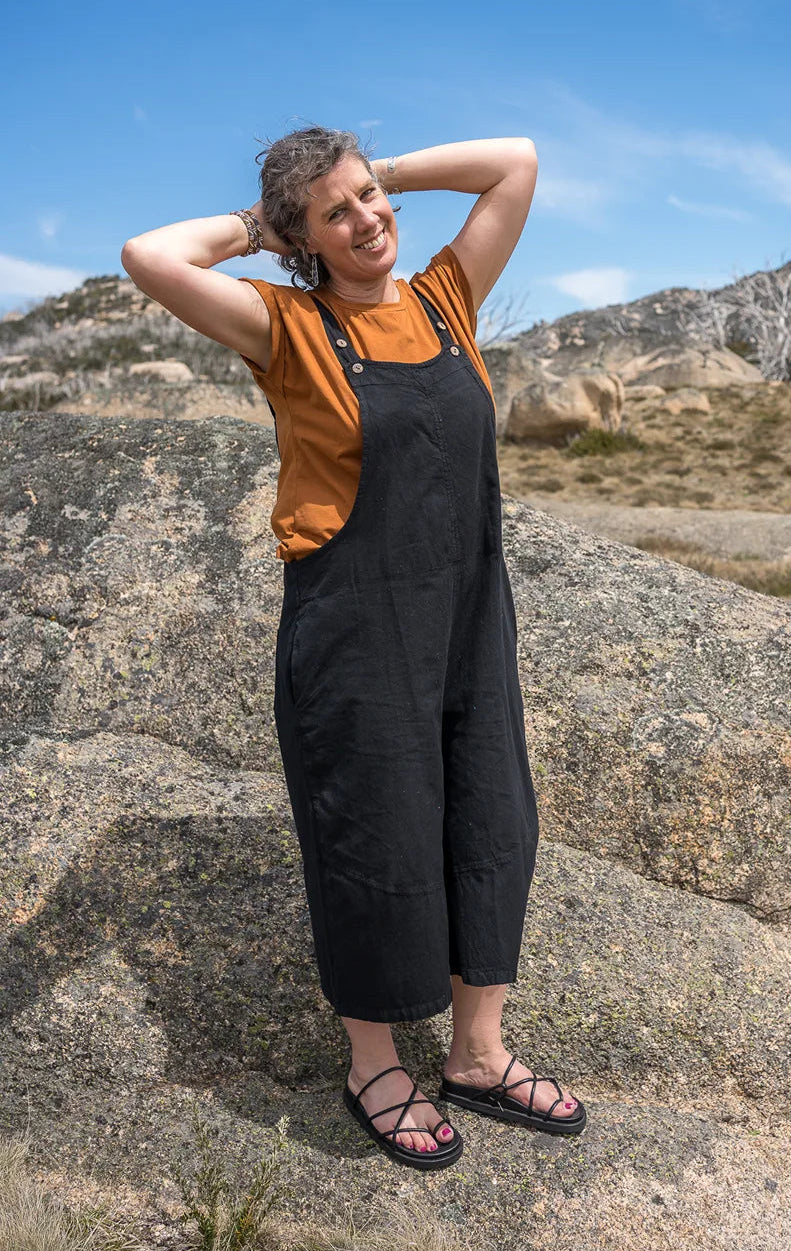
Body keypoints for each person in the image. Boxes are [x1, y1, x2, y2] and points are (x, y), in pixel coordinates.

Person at [121, 128, 585, 1170]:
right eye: (337, 215)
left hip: (469, 614)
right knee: (374, 834)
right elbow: (151, 256)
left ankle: (476, 1052)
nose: (368, 221)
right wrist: (266, 225)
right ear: (302, 239)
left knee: (491, 818)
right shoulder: (283, 325)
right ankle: (373, 1062)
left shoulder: (444, 298)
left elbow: (515, 161)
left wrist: (374, 177)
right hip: (354, 622)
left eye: (372, 199)